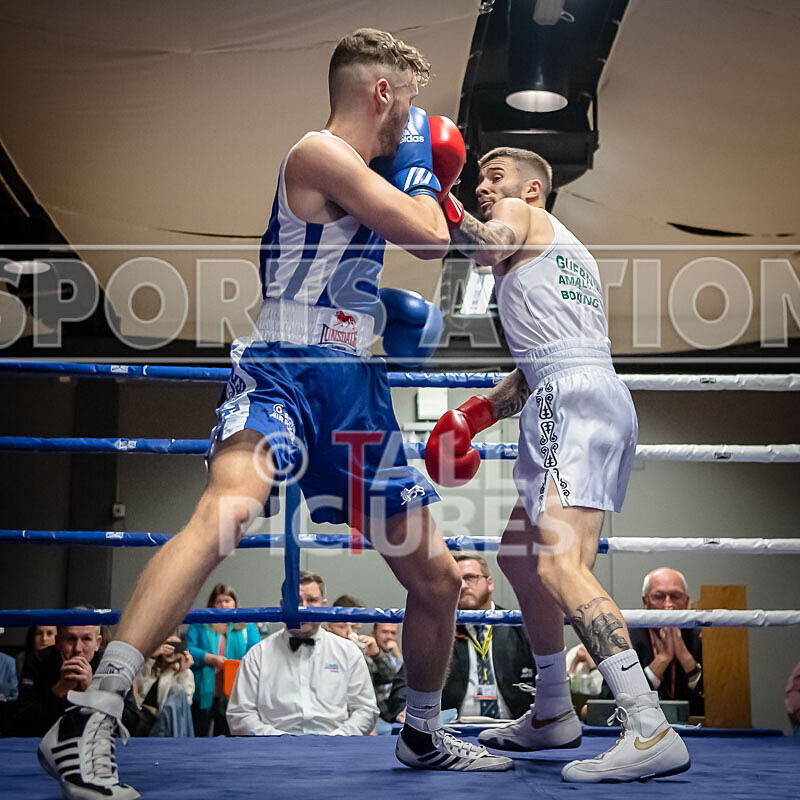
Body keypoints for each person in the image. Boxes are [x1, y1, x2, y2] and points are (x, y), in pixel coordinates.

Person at [38, 27, 510, 799]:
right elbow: (427, 238)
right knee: (225, 514)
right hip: (283, 372)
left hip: (353, 387)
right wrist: (424, 164)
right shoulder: (318, 154)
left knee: (436, 578)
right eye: (407, 105)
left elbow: (467, 248)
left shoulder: (368, 177)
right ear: (381, 93)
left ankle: (423, 732)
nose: (411, 123)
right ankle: (91, 714)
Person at [425, 147, 690, 781]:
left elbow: (484, 246)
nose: (484, 187)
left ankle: (649, 727)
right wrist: (476, 414)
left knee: (560, 563)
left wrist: (436, 193)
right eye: (478, 179)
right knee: (520, 555)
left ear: (532, 190)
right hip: (569, 394)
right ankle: (552, 709)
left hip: (572, 403)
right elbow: (543, 364)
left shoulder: (518, 217)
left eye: (495, 177)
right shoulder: (564, 253)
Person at [227, 572, 378, 736]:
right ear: (282, 605)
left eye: (311, 600)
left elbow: (366, 709)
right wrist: (279, 740)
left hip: (337, 746)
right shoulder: (258, 655)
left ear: (324, 605)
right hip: (273, 747)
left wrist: (336, 739)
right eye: (296, 601)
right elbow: (240, 715)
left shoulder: (348, 652)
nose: (303, 608)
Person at [443, 554, 535, 720]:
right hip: (454, 728)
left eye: (471, 578)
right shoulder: (440, 630)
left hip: (515, 726)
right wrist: (405, 709)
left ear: (490, 583)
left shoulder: (518, 625)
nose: (463, 586)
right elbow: (406, 681)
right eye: (456, 580)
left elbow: (547, 676)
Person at [10, 622, 142, 737]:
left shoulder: (112, 664)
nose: (77, 649)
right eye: (71, 639)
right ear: (58, 641)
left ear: (97, 643)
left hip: (99, 746)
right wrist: (58, 691)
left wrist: (93, 692)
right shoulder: (38, 662)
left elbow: (132, 725)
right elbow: (19, 723)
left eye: (86, 639)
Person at [603, 568, 702, 715]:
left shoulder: (701, 637)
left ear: (686, 602)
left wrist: (686, 658)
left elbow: (718, 698)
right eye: (659, 597)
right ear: (645, 602)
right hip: (638, 724)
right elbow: (607, 701)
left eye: (675, 596)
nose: (668, 605)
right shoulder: (624, 639)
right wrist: (662, 659)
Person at [186, 583, 259, 737]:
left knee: (230, 738)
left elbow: (256, 651)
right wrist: (211, 659)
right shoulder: (200, 623)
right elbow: (189, 649)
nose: (223, 605)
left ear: (235, 603)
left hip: (235, 693)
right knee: (199, 734)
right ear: (212, 604)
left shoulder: (247, 626)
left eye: (227, 601)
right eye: (219, 601)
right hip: (203, 691)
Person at [134, 633, 195, 737]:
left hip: (157, 722)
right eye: (168, 645)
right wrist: (152, 656)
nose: (171, 650)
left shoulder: (184, 673)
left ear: (182, 650)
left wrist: (183, 671)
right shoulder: (152, 667)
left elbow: (184, 703)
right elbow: (137, 684)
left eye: (176, 646)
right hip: (138, 714)